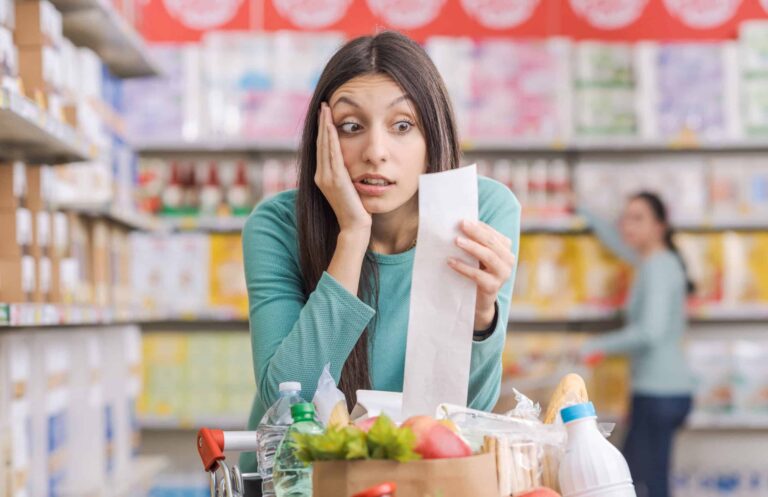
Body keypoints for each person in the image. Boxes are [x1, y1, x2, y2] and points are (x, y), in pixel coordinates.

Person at [239, 31, 521, 480]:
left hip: (419, 477)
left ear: (435, 134)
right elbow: (285, 403)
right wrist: (352, 234)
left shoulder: (481, 211)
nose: (375, 152)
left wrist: (482, 313)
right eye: (351, 126)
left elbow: (470, 412)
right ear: (322, 138)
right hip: (295, 480)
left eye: (403, 125)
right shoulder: (276, 226)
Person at [577, 192, 694, 497]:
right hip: (666, 391)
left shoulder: (655, 267)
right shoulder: (657, 261)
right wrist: (582, 209)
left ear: (660, 226)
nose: (627, 225)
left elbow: (650, 332)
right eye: (625, 217)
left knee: (639, 484)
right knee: (647, 479)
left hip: (658, 393)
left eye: (638, 218)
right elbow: (617, 242)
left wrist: (595, 345)